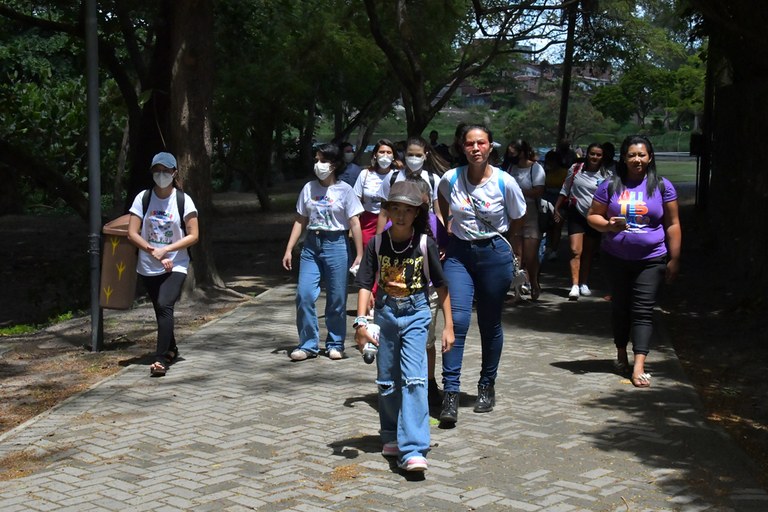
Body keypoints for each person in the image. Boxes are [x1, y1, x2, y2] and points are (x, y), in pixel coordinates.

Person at [354, 180, 454, 472]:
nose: (400, 215)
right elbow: (364, 283)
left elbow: (441, 285)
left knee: (414, 380)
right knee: (386, 381)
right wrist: (361, 322)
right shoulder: (376, 243)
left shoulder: (425, 243)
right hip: (385, 314)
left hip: (416, 313)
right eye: (394, 209)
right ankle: (391, 435)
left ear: (417, 213)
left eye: (407, 210)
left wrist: (448, 326)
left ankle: (413, 448)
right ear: (386, 210)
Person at [436, 124, 526, 423]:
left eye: (481, 143)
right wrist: (447, 227)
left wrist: (506, 248)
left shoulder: (505, 182)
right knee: (456, 321)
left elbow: (518, 219)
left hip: (494, 256)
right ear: (462, 147)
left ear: (490, 147)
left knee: (490, 324)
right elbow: (441, 200)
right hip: (459, 254)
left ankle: (487, 385)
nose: (476, 148)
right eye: (470, 144)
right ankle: (450, 392)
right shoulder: (451, 178)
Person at [587, 135, 681, 388]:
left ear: (650, 157)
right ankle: (621, 353)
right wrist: (608, 225)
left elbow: (672, 224)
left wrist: (674, 259)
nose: (637, 159)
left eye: (641, 155)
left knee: (642, 310)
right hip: (615, 258)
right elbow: (592, 216)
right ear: (624, 158)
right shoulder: (610, 186)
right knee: (621, 307)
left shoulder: (662, 186)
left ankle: (639, 364)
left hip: (651, 259)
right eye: (631, 155)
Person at [376, 136, 449, 407]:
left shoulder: (432, 182)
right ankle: (401, 389)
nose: (414, 158)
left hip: (423, 292)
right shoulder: (392, 180)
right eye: (410, 154)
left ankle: (427, 386)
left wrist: (440, 244)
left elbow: (440, 216)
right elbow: (384, 215)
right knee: (398, 344)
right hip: (394, 289)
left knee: (425, 342)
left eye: (418, 154)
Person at [282, 143, 364, 361]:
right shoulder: (309, 188)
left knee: (336, 299)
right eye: (317, 160)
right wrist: (289, 249)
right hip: (311, 245)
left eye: (324, 161)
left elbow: (355, 222)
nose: (319, 165)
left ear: (334, 164)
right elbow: (301, 220)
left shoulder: (345, 190)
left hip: (337, 244)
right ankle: (308, 344)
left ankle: (335, 343)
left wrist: (359, 253)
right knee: (304, 295)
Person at [127, 152, 199, 377]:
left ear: (174, 173)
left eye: (166, 171)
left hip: (176, 263)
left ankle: (159, 360)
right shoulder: (143, 198)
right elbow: (131, 232)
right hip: (149, 265)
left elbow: (194, 235)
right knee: (161, 310)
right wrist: (153, 251)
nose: (161, 175)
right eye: (157, 171)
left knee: (165, 303)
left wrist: (167, 250)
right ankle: (172, 349)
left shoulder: (183, 200)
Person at [554, 142, 612, 300]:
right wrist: (557, 207)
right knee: (575, 250)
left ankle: (584, 283)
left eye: (598, 155)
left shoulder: (607, 175)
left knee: (588, 251)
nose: (595, 157)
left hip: (596, 216)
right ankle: (574, 285)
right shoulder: (575, 169)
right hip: (576, 213)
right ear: (587, 154)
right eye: (592, 153)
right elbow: (565, 188)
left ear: (602, 157)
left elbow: (611, 197)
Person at [503, 140, 546, 300]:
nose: (511, 156)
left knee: (530, 255)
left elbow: (538, 190)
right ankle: (517, 289)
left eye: (514, 153)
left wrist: (517, 192)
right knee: (516, 254)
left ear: (522, 152)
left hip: (531, 216)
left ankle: (533, 282)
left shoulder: (536, 168)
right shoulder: (510, 168)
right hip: (514, 216)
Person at [353, 139, 401, 249]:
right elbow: (355, 201)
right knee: (368, 253)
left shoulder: (398, 176)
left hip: (391, 221)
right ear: (375, 155)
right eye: (381, 152)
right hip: (367, 222)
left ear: (393, 156)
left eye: (389, 153)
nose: (385, 155)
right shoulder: (365, 174)